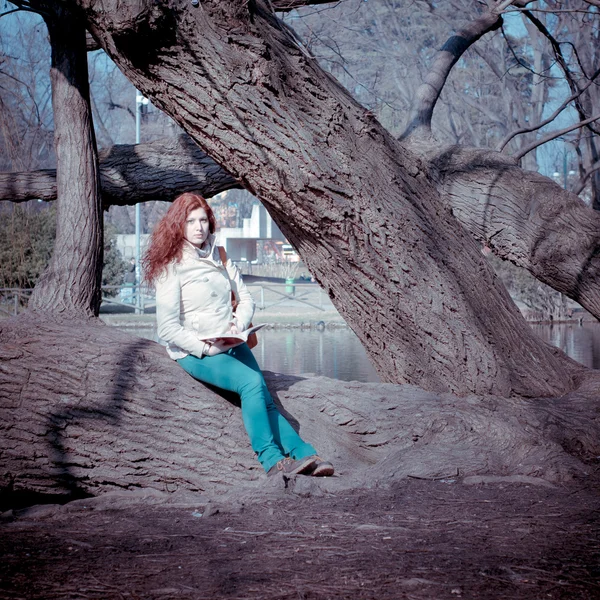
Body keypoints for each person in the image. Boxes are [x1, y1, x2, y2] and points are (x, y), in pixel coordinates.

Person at [143, 192, 334, 479]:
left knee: (265, 398)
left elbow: (245, 298)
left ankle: (303, 454)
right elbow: (167, 328)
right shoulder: (172, 266)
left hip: (231, 340)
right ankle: (271, 459)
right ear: (178, 226)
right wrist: (205, 349)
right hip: (196, 351)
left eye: (203, 220)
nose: (198, 227)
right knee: (252, 383)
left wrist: (238, 326)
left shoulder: (219, 254)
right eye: (191, 221)